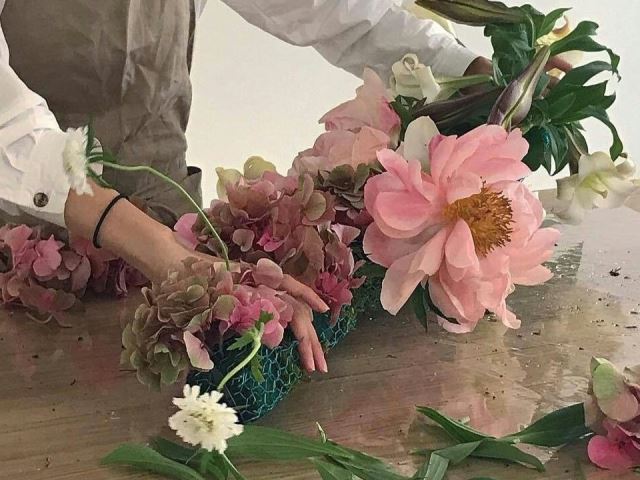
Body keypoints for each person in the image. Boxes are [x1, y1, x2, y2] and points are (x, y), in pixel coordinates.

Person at [0, 0, 502, 374]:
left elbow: (327, 8)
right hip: (26, 262)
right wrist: (160, 251)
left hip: (166, 230)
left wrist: (474, 75)